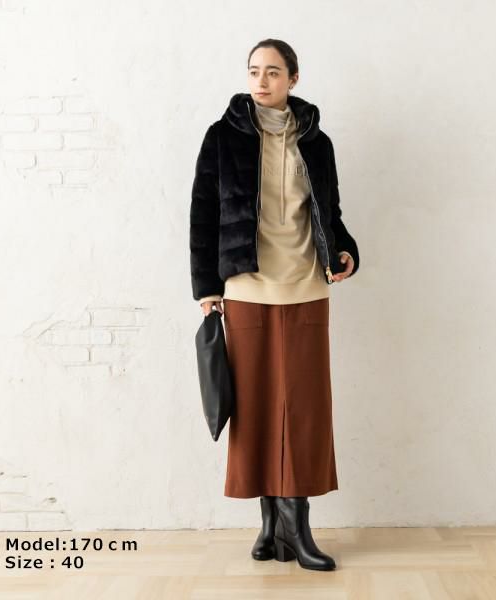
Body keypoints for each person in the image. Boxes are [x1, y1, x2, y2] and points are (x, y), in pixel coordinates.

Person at [190, 38, 359, 572]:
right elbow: (202, 214)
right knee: (257, 407)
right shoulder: (221, 138)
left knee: (304, 411)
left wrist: (346, 250)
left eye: (273, 72)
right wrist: (207, 288)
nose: (261, 81)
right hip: (246, 289)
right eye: (254, 71)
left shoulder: (317, 142)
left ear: (293, 79)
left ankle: (296, 526)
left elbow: (330, 211)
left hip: (307, 285)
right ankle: (271, 526)